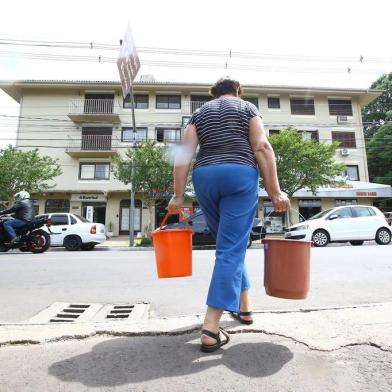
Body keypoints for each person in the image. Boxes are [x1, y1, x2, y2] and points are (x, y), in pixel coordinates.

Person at [167, 77, 290, 353]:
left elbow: (184, 154)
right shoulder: (247, 108)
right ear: (237, 91)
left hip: (205, 177)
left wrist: (177, 195)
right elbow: (261, 146)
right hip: (239, 174)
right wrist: (275, 192)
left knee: (230, 245)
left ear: (213, 95)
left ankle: (245, 309)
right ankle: (211, 327)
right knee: (230, 249)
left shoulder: (199, 113)